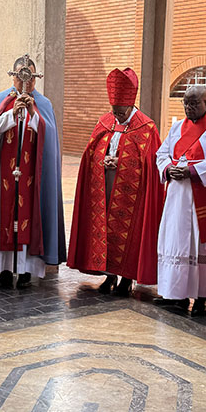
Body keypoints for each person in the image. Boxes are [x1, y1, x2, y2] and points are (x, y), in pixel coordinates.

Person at [0, 56, 65, 289]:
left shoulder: (44, 104)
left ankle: (25, 271)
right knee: (4, 218)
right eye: (21, 76)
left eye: (30, 77)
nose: (25, 82)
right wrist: (11, 114)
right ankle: (4, 270)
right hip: (5, 176)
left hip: (33, 178)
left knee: (29, 218)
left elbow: (49, 137)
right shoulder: (0, 99)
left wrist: (33, 114)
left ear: (36, 78)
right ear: (13, 76)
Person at [68, 68, 163, 295]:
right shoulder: (105, 121)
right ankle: (109, 275)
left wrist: (121, 162)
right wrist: (102, 159)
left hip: (133, 193)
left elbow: (151, 163)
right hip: (104, 185)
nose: (117, 116)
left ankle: (126, 278)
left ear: (131, 105)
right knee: (104, 229)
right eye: (114, 111)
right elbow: (91, 153)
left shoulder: (146, 127)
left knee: (128, 232)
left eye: (121, 112)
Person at [154, 85, 206, 315]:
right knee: (177, 242)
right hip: (177, 198)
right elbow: (162, 153)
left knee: (202, 246)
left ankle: (201, 299)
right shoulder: (177, 127)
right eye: (186, 103)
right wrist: (168, 169)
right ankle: (176, 295)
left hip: (203, 196)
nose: (189, 107)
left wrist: (191, 171)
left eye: (194, 103)